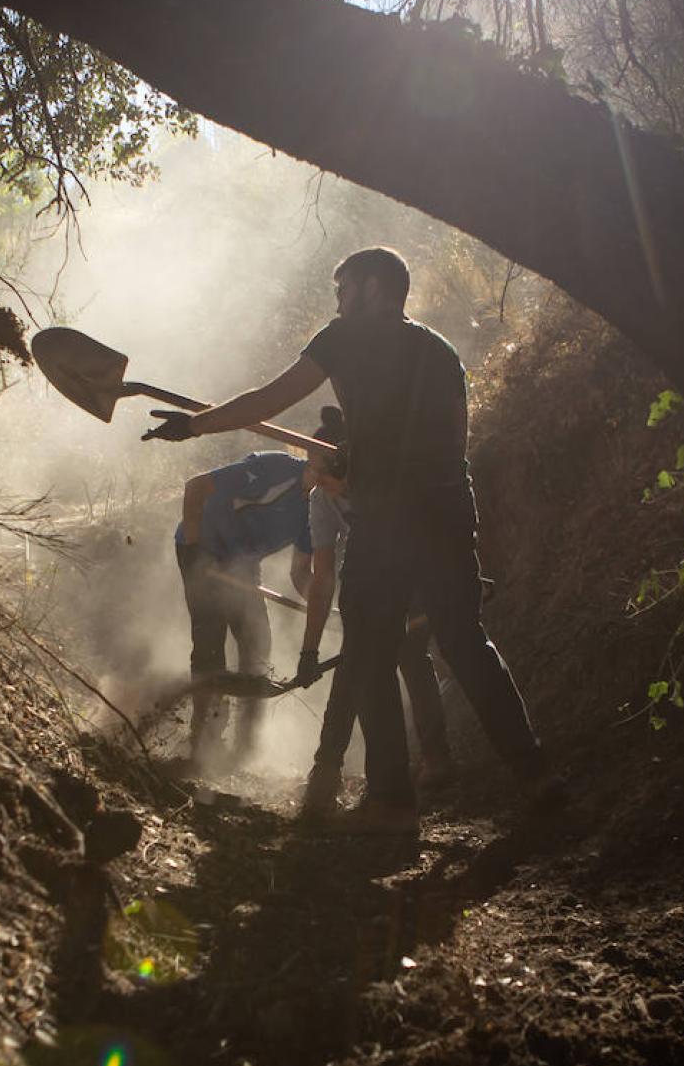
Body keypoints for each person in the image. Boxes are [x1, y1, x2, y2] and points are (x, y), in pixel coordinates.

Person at [145, 247, 550, 835]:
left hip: (386, 514)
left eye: (344, 288)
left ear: (374, 287)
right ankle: (538, 775)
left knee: (369, 649)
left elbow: (270, 399)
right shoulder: (442, 351)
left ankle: (391, 802)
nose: (337, 299)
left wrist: (194, 424)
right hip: (448, 507)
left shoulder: (342, 337)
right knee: (466, 641)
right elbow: (456, 443)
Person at [292, 406, 455, 823]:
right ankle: (326, 776)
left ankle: (436, 760)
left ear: (349, 464)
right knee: (354, 668)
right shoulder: (320, 501)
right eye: (311, 470)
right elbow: (322, 575)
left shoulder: (391, 482)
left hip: (413, 577)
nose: (314, 480)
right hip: (368, 581)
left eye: (320, 470)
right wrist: (308, 651)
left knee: (411, 660)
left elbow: (435, 537)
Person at [171, 449, 314, 770]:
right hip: (201, 550)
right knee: (210, 639)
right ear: (317, 461)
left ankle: (245, 747)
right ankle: (203, 738)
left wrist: (323, 608)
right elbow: (196, 487)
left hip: (243, 567)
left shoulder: (316, 506)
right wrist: (195, 553)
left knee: (257, 643)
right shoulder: (274, 468)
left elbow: (301, 573)